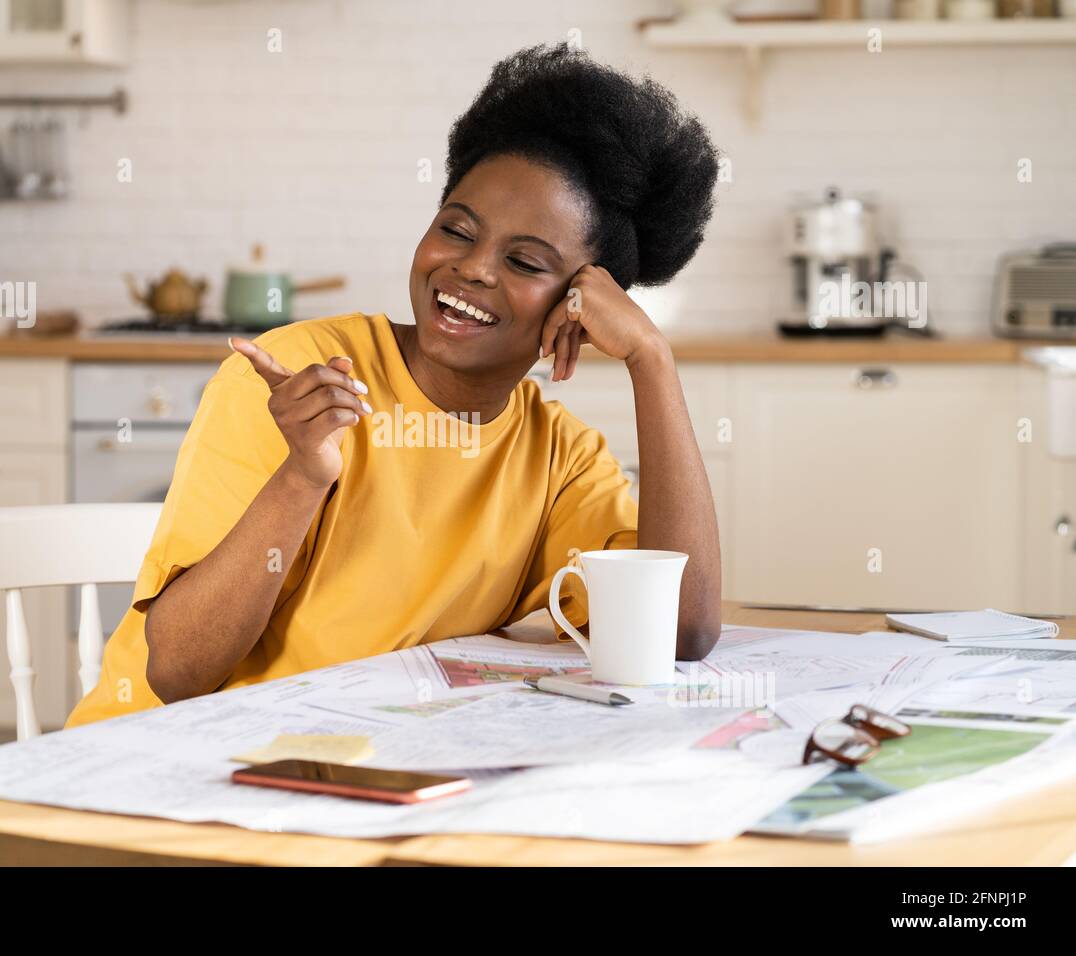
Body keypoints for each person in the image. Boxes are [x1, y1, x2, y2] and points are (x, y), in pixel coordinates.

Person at [66, 44, 722, 727]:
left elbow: (683, 631)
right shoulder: (300, 379)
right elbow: (177, 673)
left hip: (358, 775)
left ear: (579, 308)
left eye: (524, 260)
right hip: (165, 763)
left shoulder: (558, 459)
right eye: (456, 230)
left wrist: (651, 357)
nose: (471, 269)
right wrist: (301, 477)